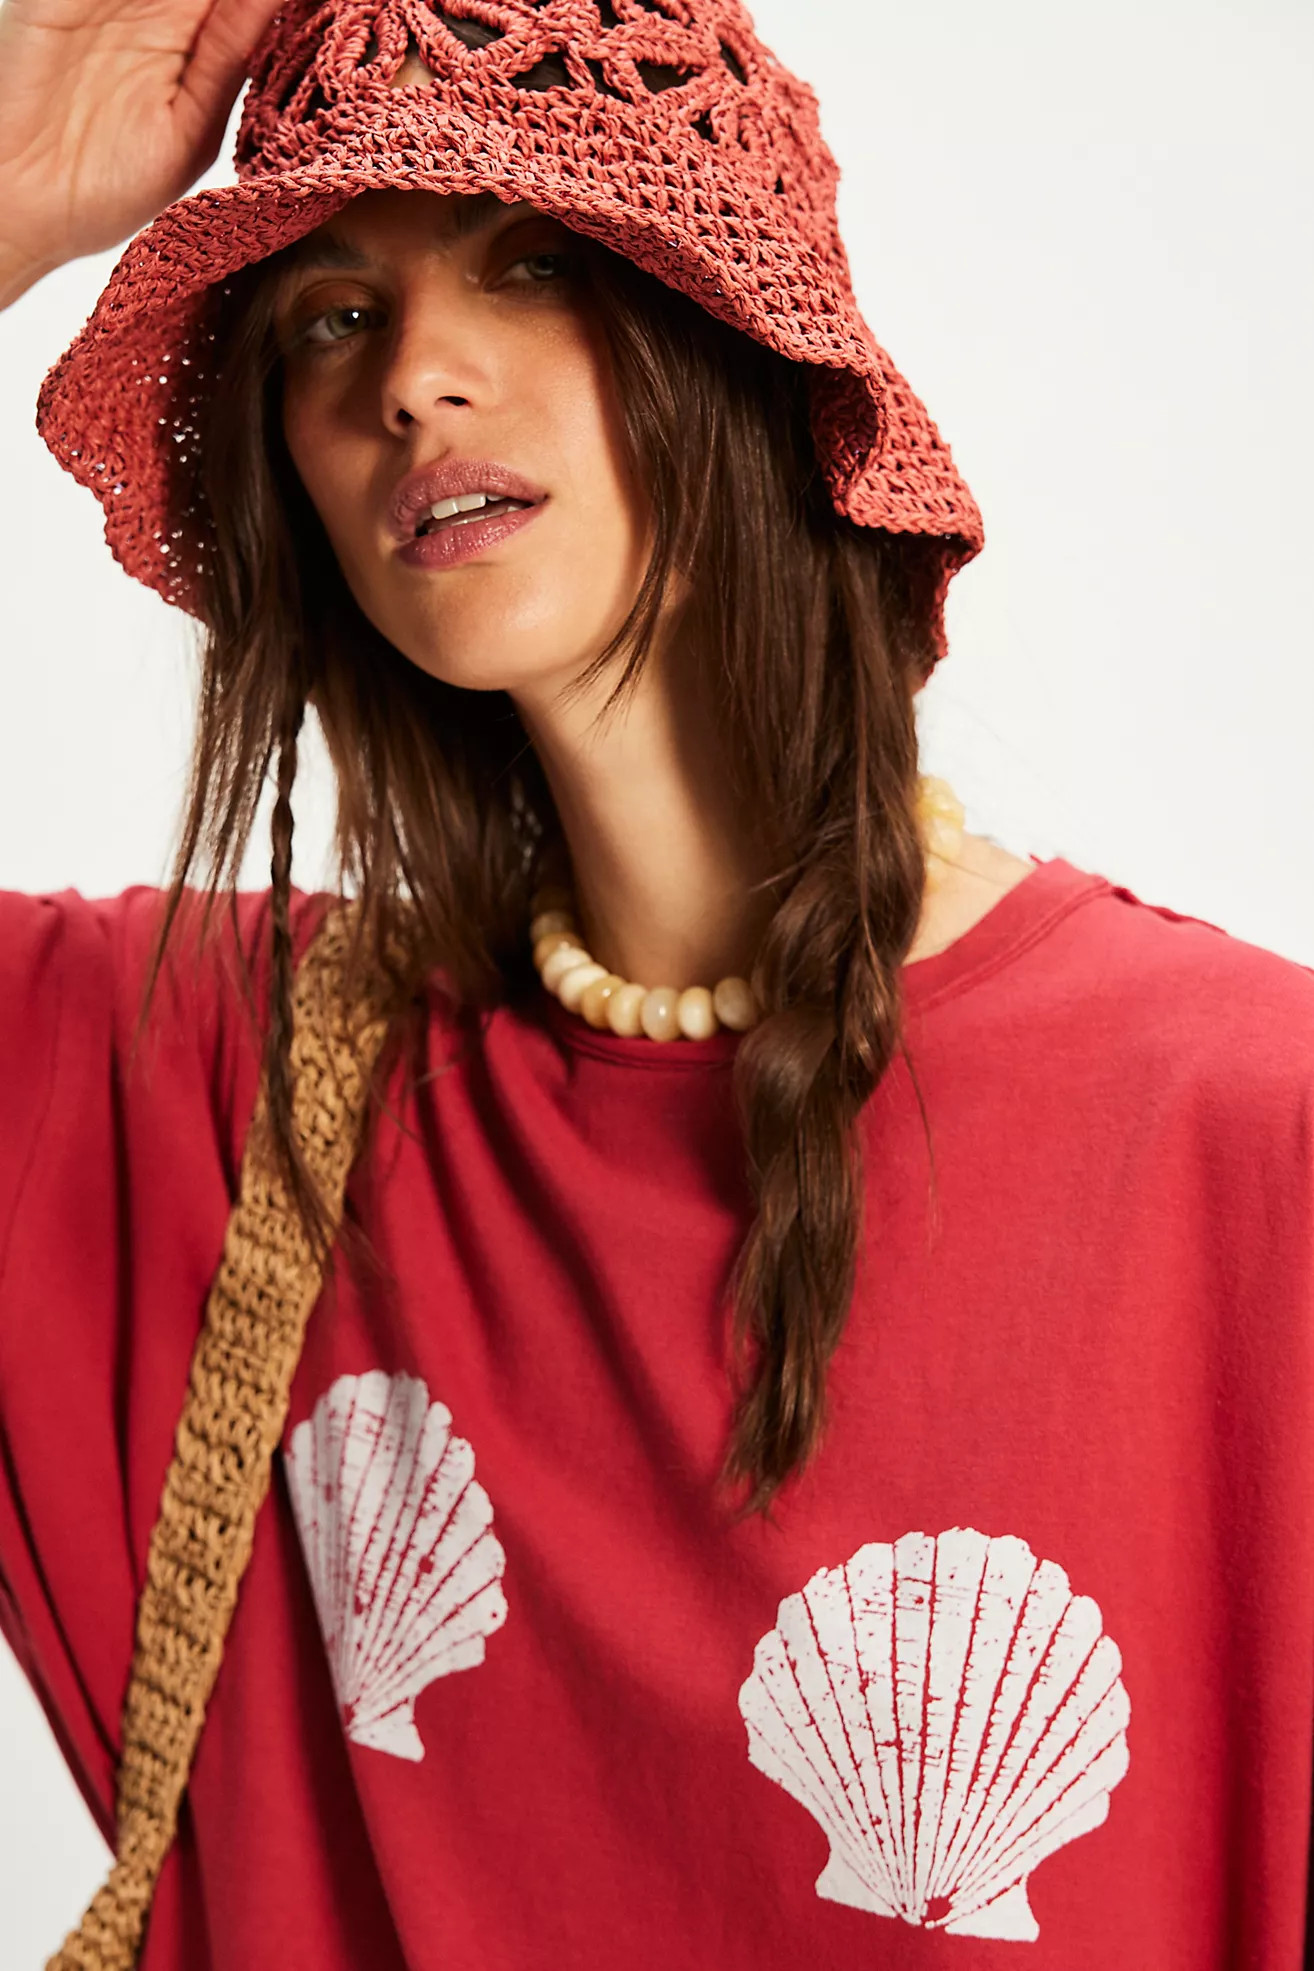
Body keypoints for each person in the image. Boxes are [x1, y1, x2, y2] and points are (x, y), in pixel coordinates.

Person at [2, 0, 1313, 1966]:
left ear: (737, 338)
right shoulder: (205, 1088)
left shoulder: (1249, 1133)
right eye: (332, 318)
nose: (416, 380)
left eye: (532, 263)